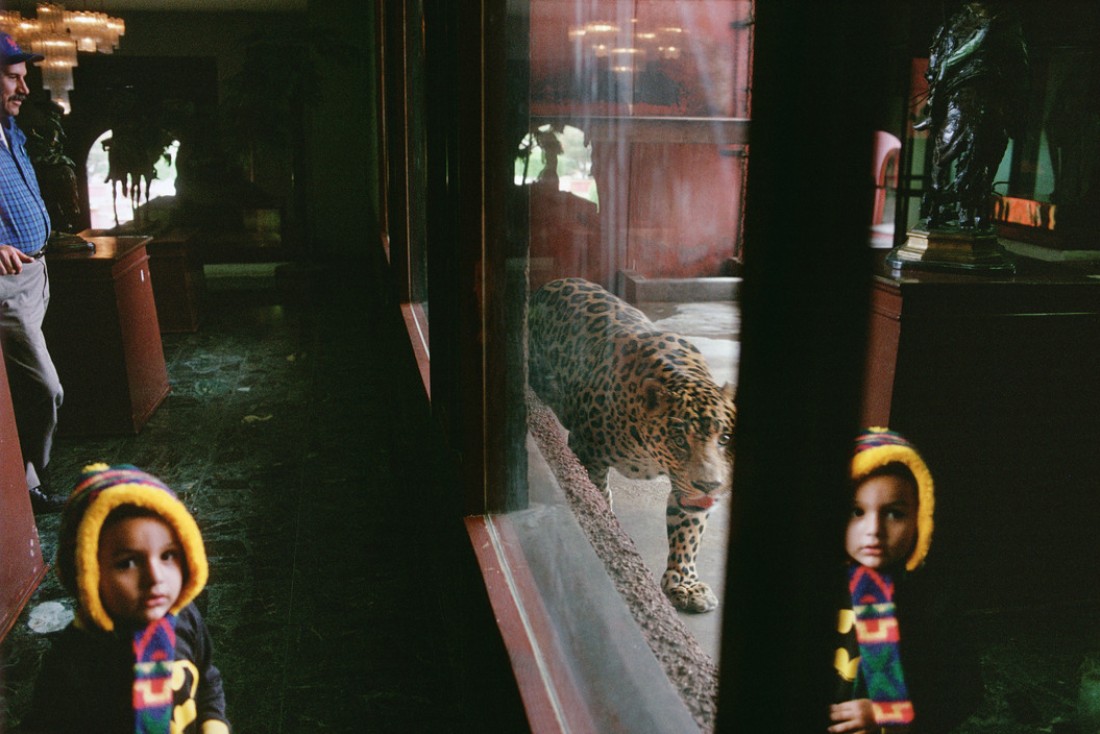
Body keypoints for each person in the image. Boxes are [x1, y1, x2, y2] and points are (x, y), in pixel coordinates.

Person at [19, 463, 230, 733]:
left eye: (167, 555)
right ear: (86, 571)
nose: (155, 577)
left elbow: (207, 678)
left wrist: (214, 722)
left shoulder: (186, 616)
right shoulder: (72, 662)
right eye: (127, 563)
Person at [828, 428, 979, 734]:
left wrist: (889, 715)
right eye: (857, 511)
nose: (874, 529)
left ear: (921, 518)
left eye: (895, 514)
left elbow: (964, 691)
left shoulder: (933, 597)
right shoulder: (816, 585)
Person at [0, 32, 65, 513]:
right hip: (8, 285)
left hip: (36, 275)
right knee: (46, 389)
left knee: (22, 391)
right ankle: (26, 486)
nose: (24, 89)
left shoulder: (10, 129)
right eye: (12, 77)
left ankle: (21, 485)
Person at [916, 1, 1028, 230]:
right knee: (942, 80)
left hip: (989, 75)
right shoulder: (955, 22)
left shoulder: (1004, 21)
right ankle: (934, 109)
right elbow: (938, 58)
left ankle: (934, 111)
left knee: (945, 75)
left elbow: (1019, 60)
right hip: (969, 79)